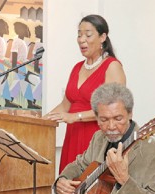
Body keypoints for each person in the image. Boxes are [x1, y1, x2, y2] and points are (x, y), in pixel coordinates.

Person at [44, 14, 126, 174]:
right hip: (73, 136)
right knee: (68, 187)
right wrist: (41, 120)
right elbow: (65, 105)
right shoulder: (77, 67)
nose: (82, 39)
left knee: (88, 192)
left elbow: (114, 111)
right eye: (79, 34)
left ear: (103, 37)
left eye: (88, 35)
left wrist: (76, 117)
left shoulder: (112, 66)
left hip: (96, 139)